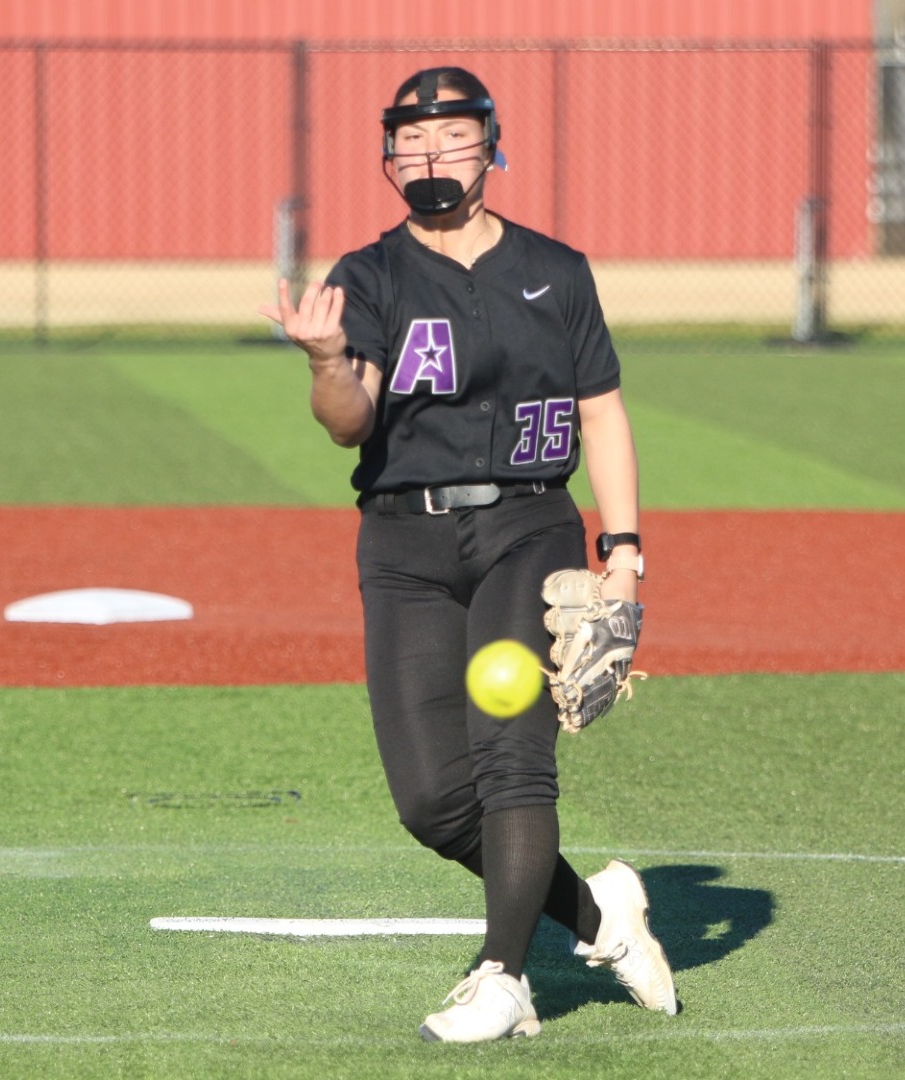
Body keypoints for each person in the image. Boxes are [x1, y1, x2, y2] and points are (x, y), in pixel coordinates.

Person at [258, 66, 674, 1043]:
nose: (431, 155)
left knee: (511, 758)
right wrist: (325, 360)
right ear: (388, 156)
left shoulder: (556, 270)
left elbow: (601, 412)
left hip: (528, 529)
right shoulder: (369, 277)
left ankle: (504, 977)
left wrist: (623, 553)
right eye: (412, 141)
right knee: (434, 802)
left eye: (451, 137)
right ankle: (600, 916)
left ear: (490, 146)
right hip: (404, 543)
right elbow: (346, 421)